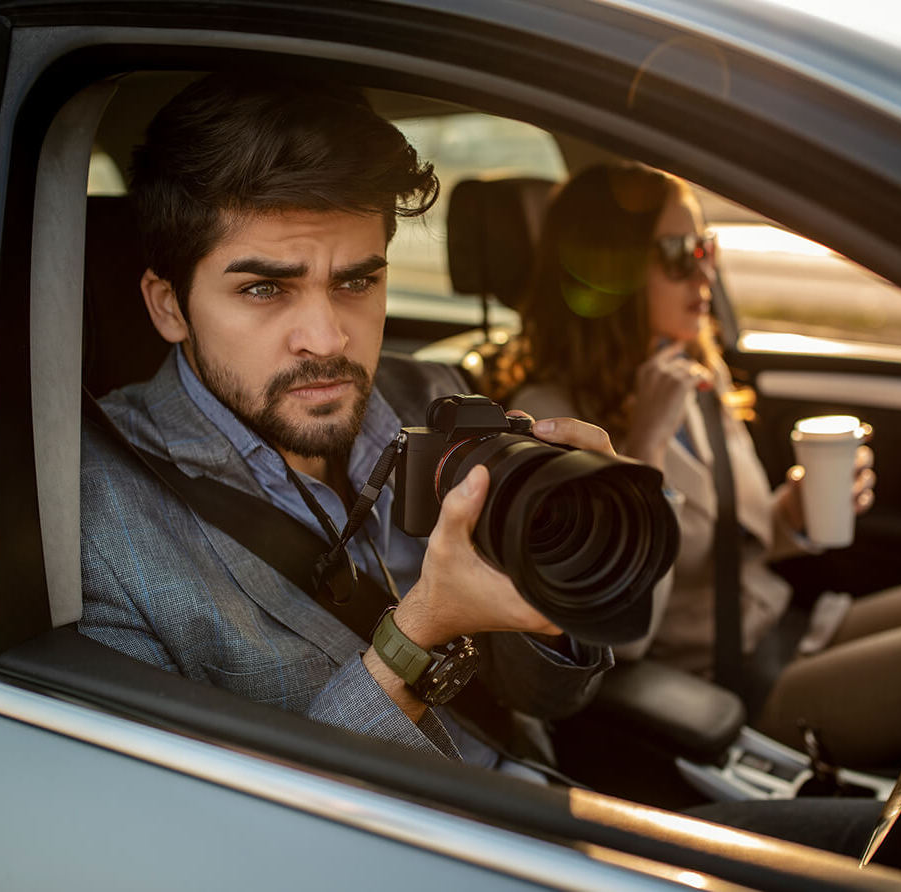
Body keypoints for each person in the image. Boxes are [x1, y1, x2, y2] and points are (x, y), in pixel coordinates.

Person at [78, 73, 616, 778]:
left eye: (356, 281)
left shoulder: (434, 394)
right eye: (266, 288)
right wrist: (419, 633)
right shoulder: (98, 523)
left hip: (539, 804)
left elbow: (548, 699)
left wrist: (564, 567)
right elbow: (220, 834)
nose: (328, 339)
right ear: (169, 306)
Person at [508, 161, 901, 769]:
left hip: (789, 625)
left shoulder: (694, 369)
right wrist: (647, 446)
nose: (703, 269)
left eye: (706, 246)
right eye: (677, 253)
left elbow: (732, 544)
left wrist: (792, 516)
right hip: (732, 684)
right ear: (610, 270)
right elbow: (621, 634)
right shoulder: (549, 420)